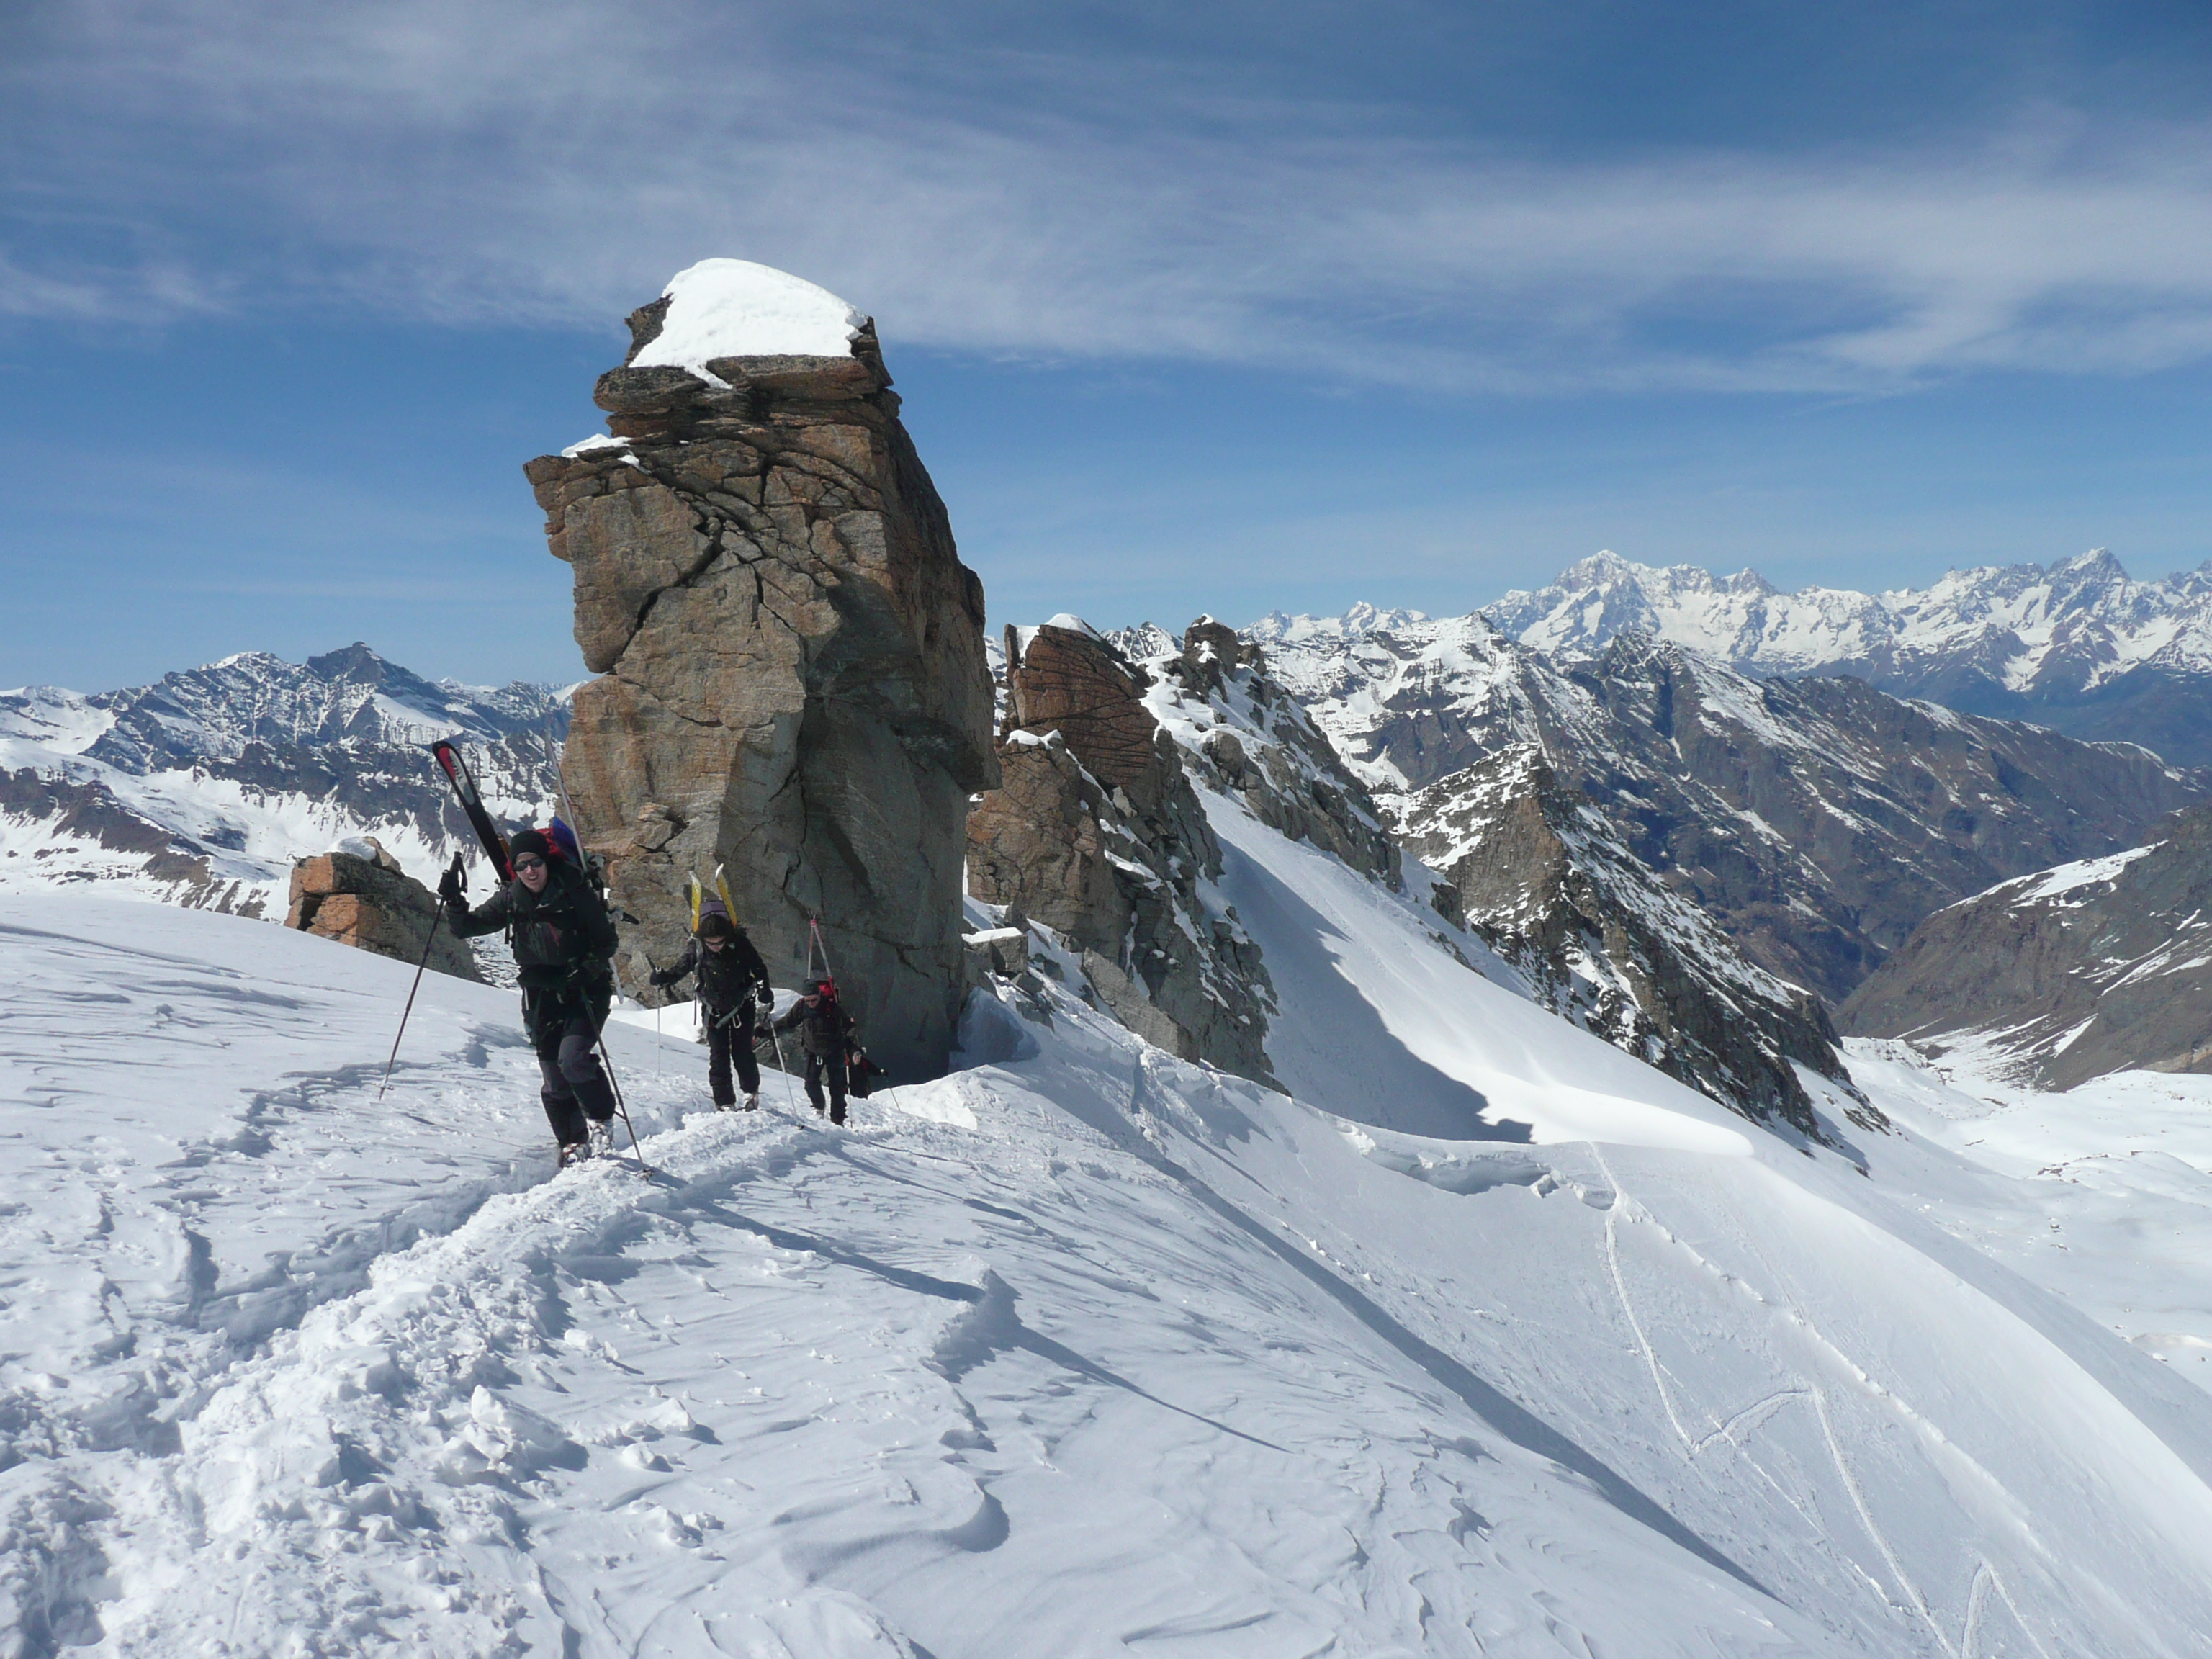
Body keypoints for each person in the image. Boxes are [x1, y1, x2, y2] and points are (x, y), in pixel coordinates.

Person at [441, 829, 620, 1167]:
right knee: (554, 1076)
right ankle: (572, 1141)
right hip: (541, 994)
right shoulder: (511, 898)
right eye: (521, 866)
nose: (530, 871)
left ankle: (600, 1122)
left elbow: (605, 941)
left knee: (573, 1060)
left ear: (547, 862)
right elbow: (467, 927)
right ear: (514, 870)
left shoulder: (574, 892)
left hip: (585, 989)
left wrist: (587, 970)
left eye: (536, 862)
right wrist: (453, 901)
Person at [648, 906, 772, 1111]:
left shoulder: (740, 944)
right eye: (711, 943)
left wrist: (764, 988)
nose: (716, 946)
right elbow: (680, 969)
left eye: (720, 942)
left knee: (743, 1053)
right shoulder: (697, 949)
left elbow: (759, 968)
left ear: (727, 937)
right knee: (718, 1055)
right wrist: (663, 978)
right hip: (712, 1009)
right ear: (703, 939)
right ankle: (724, 1102)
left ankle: (750, 1092)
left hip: (742, 1005)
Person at [774, 978, 857, 1125]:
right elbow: (788, 1022)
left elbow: (849, 1026)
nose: (811, 1003)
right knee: (810, 1083)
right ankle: (819, 1106)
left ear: (820, 995)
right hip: (813, 1051)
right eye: (808, 1000)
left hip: (835, 1051)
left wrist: (850, 1044)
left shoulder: (832, 1008)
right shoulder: (801, 1007)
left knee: (837, 1089)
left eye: (814, 1000)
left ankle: (838, 1121)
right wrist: (768, 1030)